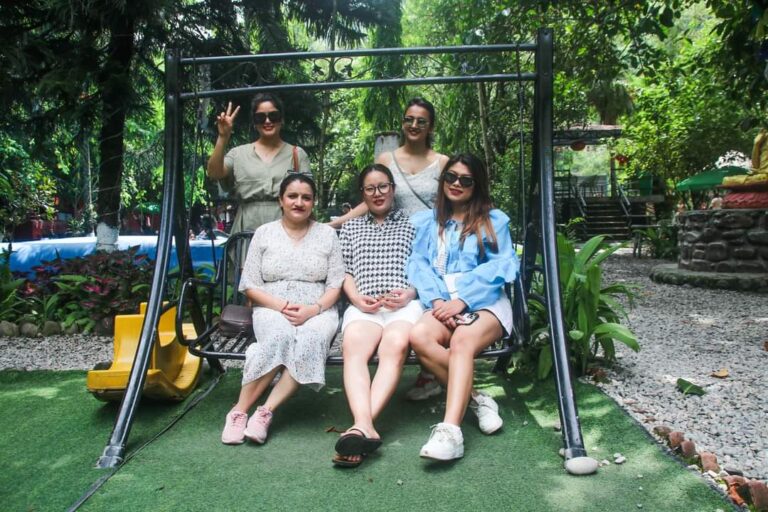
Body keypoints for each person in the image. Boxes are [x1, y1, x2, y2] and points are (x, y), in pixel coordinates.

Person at [329, 97, 449, 401]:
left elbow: (452, 201)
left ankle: (431, 373)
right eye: (409, 119)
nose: (414, 125)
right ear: (403, 122)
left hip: (423, 240)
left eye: (422, 120)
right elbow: (372, 193)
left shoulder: (442, 162)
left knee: (424, 299)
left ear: (430, 125)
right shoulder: (387, 160)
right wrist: (339, 222)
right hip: (384, 238)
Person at [407, 153, 519, 462]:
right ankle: (477, 400)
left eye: (465, 180)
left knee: (461, 342)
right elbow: (419, 265)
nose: (456, 184)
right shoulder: (429, 222)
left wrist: (463, 300)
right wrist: (439, 301)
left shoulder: (493, 221)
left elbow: (500, 266)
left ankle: (451, 432)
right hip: (442, 299)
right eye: (451, 177)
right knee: (419, 337)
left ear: (477, 185)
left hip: (484, 300)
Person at [221, 173, 344, 445]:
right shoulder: (264, 233)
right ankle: (239, 411)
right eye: (292, 196)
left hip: (318, 308)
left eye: (306, 197)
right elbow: (250, 285)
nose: (299, 202)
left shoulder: (327, 235)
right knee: (280, 337)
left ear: (314, 202)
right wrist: (282, 306)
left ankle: (264, 412)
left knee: (310, 340)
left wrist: (313, 310)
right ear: (281, 200)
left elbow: (336, 284)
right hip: (271, 305)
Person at [332, 164, 422, 468]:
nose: (377, 193)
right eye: (370, 189)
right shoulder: (352, 227)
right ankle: (364, 425)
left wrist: (409, 293)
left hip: (403, 306)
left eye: (383, 186)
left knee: (394, 346)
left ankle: (359, 427)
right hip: (364, 305)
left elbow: (424, 268)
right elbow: (344, 272)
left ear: (393, 189)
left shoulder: (412, 224)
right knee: (354, 348)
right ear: (363, 194)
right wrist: (356, 298)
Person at [207, 93, 311, 235]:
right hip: (247, 229)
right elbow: (214, 173)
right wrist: (223, 137)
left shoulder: (297, 154)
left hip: (287, 231)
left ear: (282, 119)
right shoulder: (238, 154)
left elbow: (307, 198)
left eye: (273, 116)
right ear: (254, 123)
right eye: (260, 117)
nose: (267, 121)